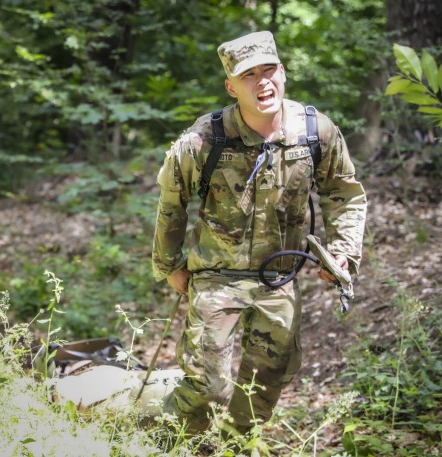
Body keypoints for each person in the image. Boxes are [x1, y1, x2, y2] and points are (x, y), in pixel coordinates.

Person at [151, 30, 367, 434]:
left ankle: (232, 444)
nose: (262, 81)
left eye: (269, 69)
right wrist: (169, 265)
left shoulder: (314, 132)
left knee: (264, 385)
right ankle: (171, 442)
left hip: (278, 276)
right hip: (217, 275)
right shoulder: (205, 138)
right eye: (249, 75)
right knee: (207, 387)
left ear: (283, 73)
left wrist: (342, 252)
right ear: (231, 87)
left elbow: (344, 193)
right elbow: (171, 202)